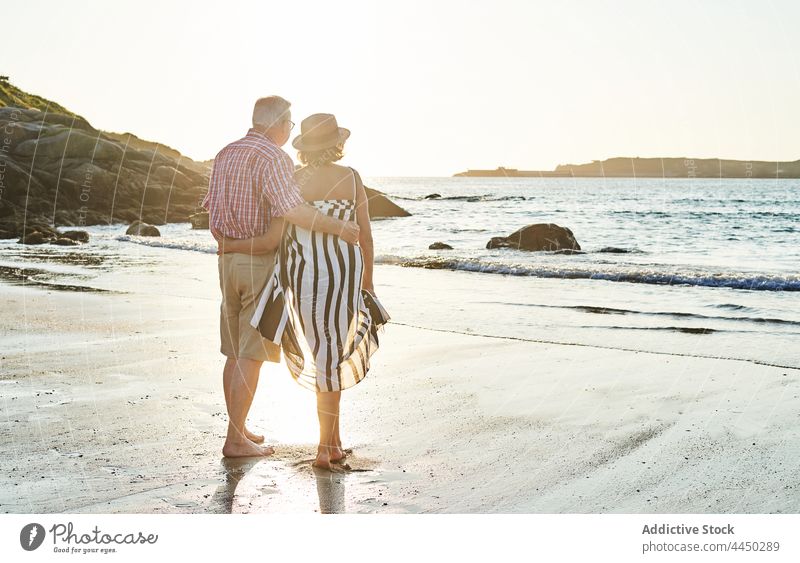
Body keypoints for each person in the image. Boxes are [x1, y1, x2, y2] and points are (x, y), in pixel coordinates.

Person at [218, 113, 390, 470]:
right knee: (333, 354)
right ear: (337, 145)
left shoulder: (292, 181)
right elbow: (365, 233)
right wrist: (368, 281)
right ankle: (326, 448)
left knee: (322, 351)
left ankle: (334, 442)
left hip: (303, 276)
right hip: (343, 273)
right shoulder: (351, 177)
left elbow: (280, 236)